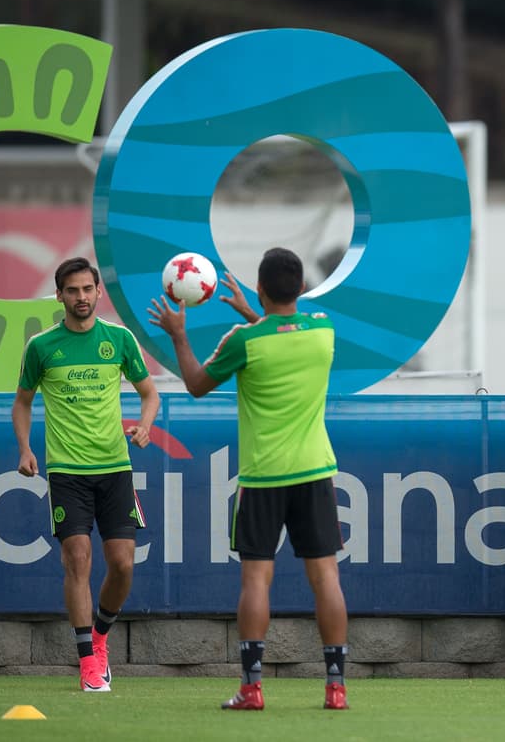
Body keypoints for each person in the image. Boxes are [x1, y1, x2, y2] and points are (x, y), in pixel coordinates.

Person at [148, 248, 349, 711]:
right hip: (316, 471)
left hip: (262, 478)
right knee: (326, 579)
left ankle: (252, 688)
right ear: (300, 288)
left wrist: (179, 335)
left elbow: (197, 384)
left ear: (260, 288)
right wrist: (251, 311)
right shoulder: (323, 328)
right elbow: (282, 329)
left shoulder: (244, 340)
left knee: (256, 582)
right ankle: (336, 689)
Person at [13, 256, 161, 693]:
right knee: (77, 559)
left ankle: (100, 638)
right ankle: (86, 663)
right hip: (66, 472)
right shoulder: (41, 346)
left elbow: (149, 394)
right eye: (72, 290)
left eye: (87, 289)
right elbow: (22, 402)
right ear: (59, 295)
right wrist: (24, 448)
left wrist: (146, 425)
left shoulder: (119, 339)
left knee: (123, 565)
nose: (81, 297)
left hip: (115, 469)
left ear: (99, 292)